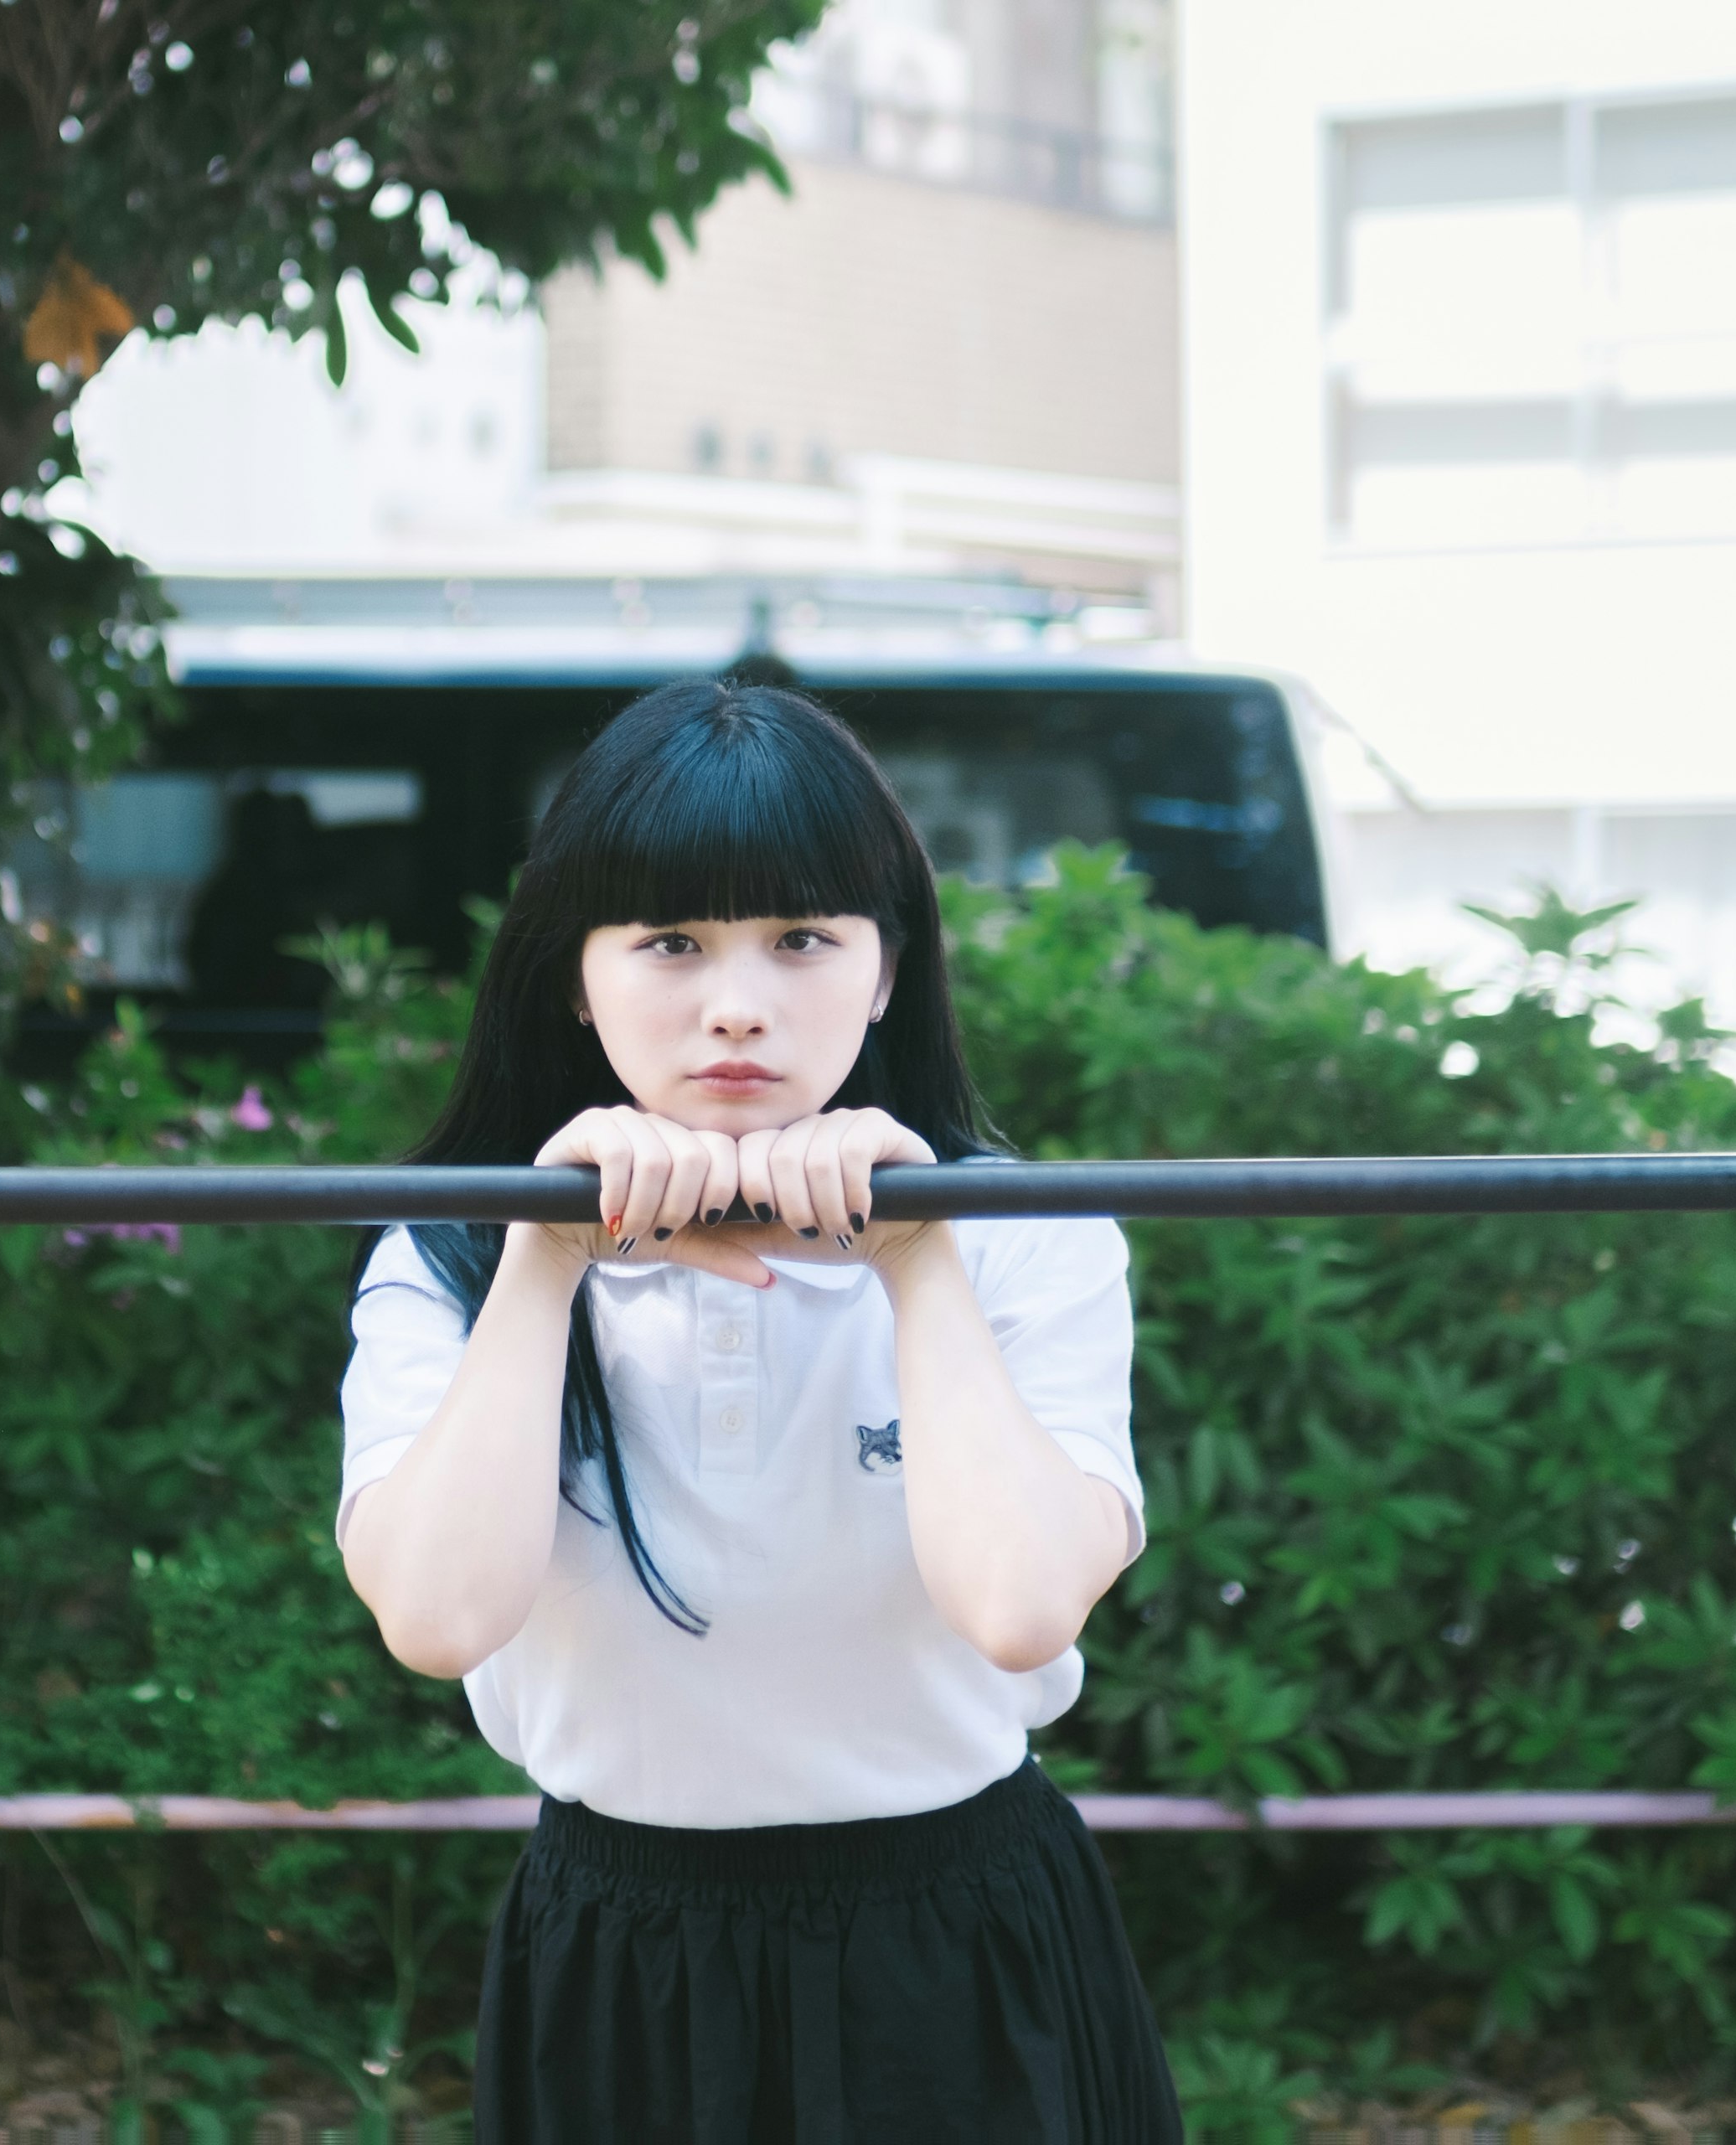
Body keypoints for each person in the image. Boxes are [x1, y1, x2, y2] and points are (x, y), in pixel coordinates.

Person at [336, 678, 1181, 2142]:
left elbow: (1023, 1607)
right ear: (574, 976)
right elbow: (436, 1619)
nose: (738, 1004)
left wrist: (917, 1261)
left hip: (961, 1954)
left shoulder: (1026, 1234)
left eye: (801, 938)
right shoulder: (456, 1256)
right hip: (623, 1965)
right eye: (670, 941)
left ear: (887, 968)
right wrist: (545, 1259)